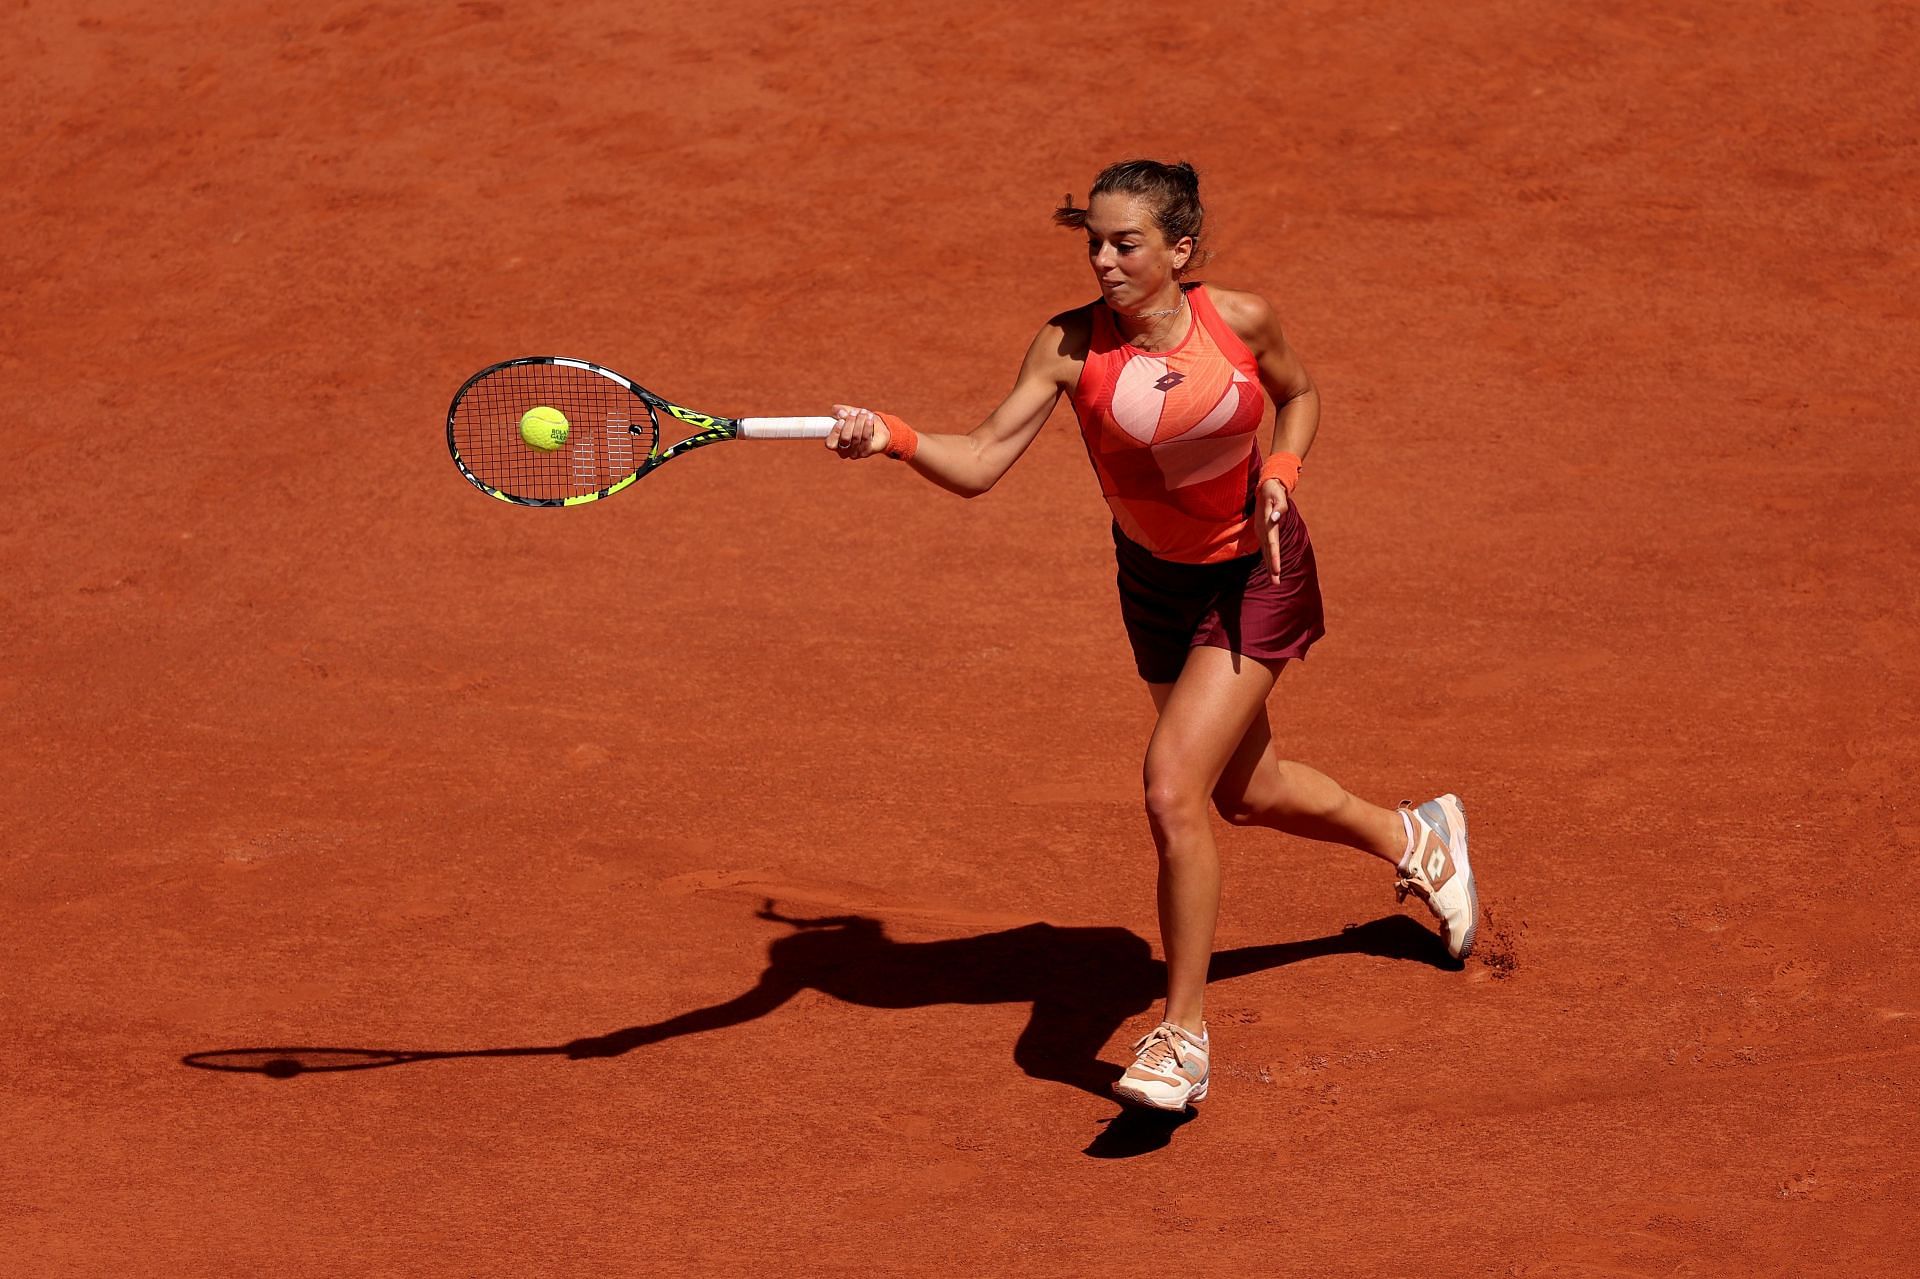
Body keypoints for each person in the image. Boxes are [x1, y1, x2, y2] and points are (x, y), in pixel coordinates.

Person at [824, 159, 1479, 1113]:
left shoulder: (1242, 322)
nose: (1102, 259)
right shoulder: (1066, 345)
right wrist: (891, 435)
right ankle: (1416, 835)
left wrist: (1283, 473)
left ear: (1180, 250)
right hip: (1155, 587)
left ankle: (1182, 1037)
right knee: (1247, 791)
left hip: (1256, 568)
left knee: (1174, 787)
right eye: (1092, 240)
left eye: (1125, 243)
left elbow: (1300, 395)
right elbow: (976, 462)